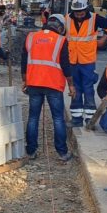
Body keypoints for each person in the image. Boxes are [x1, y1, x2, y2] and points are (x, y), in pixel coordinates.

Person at [20, 14, 75, 161]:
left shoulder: (31, 37)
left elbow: (24, 61)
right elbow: (66, 65)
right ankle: (62, 153)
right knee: (58, 118)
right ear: (61, 27)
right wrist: (71, 85)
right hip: (53, 85)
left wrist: (25, 81)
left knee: (33, 118)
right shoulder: (61, 40)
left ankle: (31, 151)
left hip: (34, 83)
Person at [66, 0, 107, 127]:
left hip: (87, 60)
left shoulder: (94, 19)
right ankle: (76, 118)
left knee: (88, 88)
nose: (79, 15)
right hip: (72, 60)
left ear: (86, 9)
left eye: (81, 12)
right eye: (76, 13)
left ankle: (89, 118)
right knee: (75, 88)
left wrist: (104, 39)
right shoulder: (67, 19)